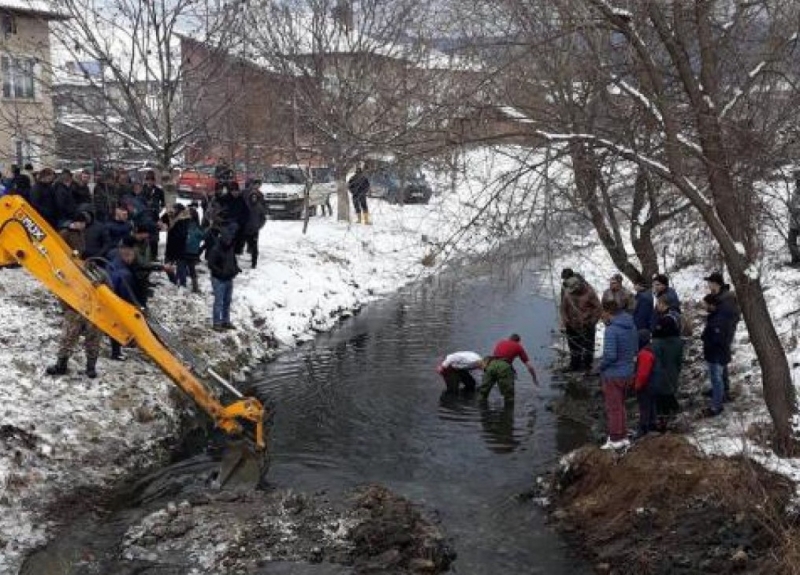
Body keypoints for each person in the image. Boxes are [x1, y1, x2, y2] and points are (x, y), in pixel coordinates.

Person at [45, 212, 102, 378]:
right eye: (83, 223)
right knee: (70, 334)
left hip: (83, 290)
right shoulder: (65, 233)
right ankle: (62, 364)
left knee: (90, 335)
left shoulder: (80, 234)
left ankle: (89, 366)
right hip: (71, 289)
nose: (84, 226)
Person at [598, 300, 638, 450]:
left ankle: (615, 439)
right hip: (628, 372)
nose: (601, 316)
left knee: (613, 407)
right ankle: (623, 436)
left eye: (602, 313)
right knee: (621, 405)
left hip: (613, 375)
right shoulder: (632, 326)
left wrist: (600, 367)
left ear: (608, 312)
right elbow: (635, 348)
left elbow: (610, 356)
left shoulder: (611, 330)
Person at [704, 271, 740, 402]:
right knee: (721, 364)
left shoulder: (727, 298)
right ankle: (722, 389)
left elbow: (727, 319)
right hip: (720, 334)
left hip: (722, 335)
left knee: (719, 363)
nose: (708, 286)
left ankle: (721, 392)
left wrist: (718, 334)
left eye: (709, 283)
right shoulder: (720, 296)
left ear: (715, 284)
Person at [651, 294, 684, 430]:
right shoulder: (677, 339)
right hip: (673, 368)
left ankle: (664, 419)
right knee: (670, 388)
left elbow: (656, 361)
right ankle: (672, 412)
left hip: (663, 371)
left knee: (663, 393)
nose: (656, 306)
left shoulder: (659, 342)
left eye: (658, 304)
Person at [106, 237, 139, 360]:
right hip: (118, 300)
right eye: (131, 256)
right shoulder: (125, 273)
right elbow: (126, 293)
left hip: (109, 295)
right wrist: (133, 305)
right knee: (118, 325)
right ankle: (116, 352)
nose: (132, 259)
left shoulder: (113, 257)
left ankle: (116, 351)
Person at [479, 334, 538, 403]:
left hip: (491, 364)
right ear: (518, 341)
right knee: (509, 396)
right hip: (504, 367)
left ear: (509, 338)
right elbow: (529, 366)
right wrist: (534, 378)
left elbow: (500, 358)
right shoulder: (518, 346)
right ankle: (508, 409)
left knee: (483, 392)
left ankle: (479, 408)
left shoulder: (501, 342)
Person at [560, 274, 602, 372]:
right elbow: (563, 308)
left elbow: (598, 308)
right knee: (573, 346)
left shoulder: (589, 293)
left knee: (588, 347)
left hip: (587, 325)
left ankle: (587, 366)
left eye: (574, 289)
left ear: (578, 285)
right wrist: (565, 320)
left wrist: (592, 321)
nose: (572, 291)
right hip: (572, 325)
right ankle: (574, 365)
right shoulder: (568, 293)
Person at [206, 221, 241, 331]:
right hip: (218, 279)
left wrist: (236, 269)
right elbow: (211, 264)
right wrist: (220, 272)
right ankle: (217, 323)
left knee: (227, 301)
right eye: (228, 240)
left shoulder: (230, 247)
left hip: (229, 278)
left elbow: (233, 260)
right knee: (219, 302)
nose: (229, 241)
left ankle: (226, 321)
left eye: (231, 240)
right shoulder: (216, 249)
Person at [633, 329, 656, 438]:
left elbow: (643, 373)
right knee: (651, 406)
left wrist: (637, 385)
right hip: (652, 384)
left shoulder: (644, 354)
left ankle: (643, 429)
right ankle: (652, 425)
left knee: (644, 407)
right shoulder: (651, 350)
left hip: (646, 386)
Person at [242, 182, 267, 268]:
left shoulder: (259, 207)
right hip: (245, 229)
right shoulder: (246, 206)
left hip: (254, 229)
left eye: (255, 197)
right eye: (252, 197)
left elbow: (263, 218)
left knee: (254, 246)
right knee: (243, 243)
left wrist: (259, 225)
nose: (254, 198)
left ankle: (254, 262)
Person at [142, 170, 166, 258]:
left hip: (154, 216)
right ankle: (143, 255)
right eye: (148, 179)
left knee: (154, 238)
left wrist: (160, 210)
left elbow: (163, 203)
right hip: (143, 216)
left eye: (151, 179)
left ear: (154, 180)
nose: (149, 181)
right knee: (143, 236)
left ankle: (154, 256)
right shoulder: (142, 189)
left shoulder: (159, 190)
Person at [789, 171, 800, 266]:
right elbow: (793, 207)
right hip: (793, 223)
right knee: (791, 242)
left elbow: (796, 208)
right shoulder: (794, 193)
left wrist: (796, 209)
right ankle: (796, 260)